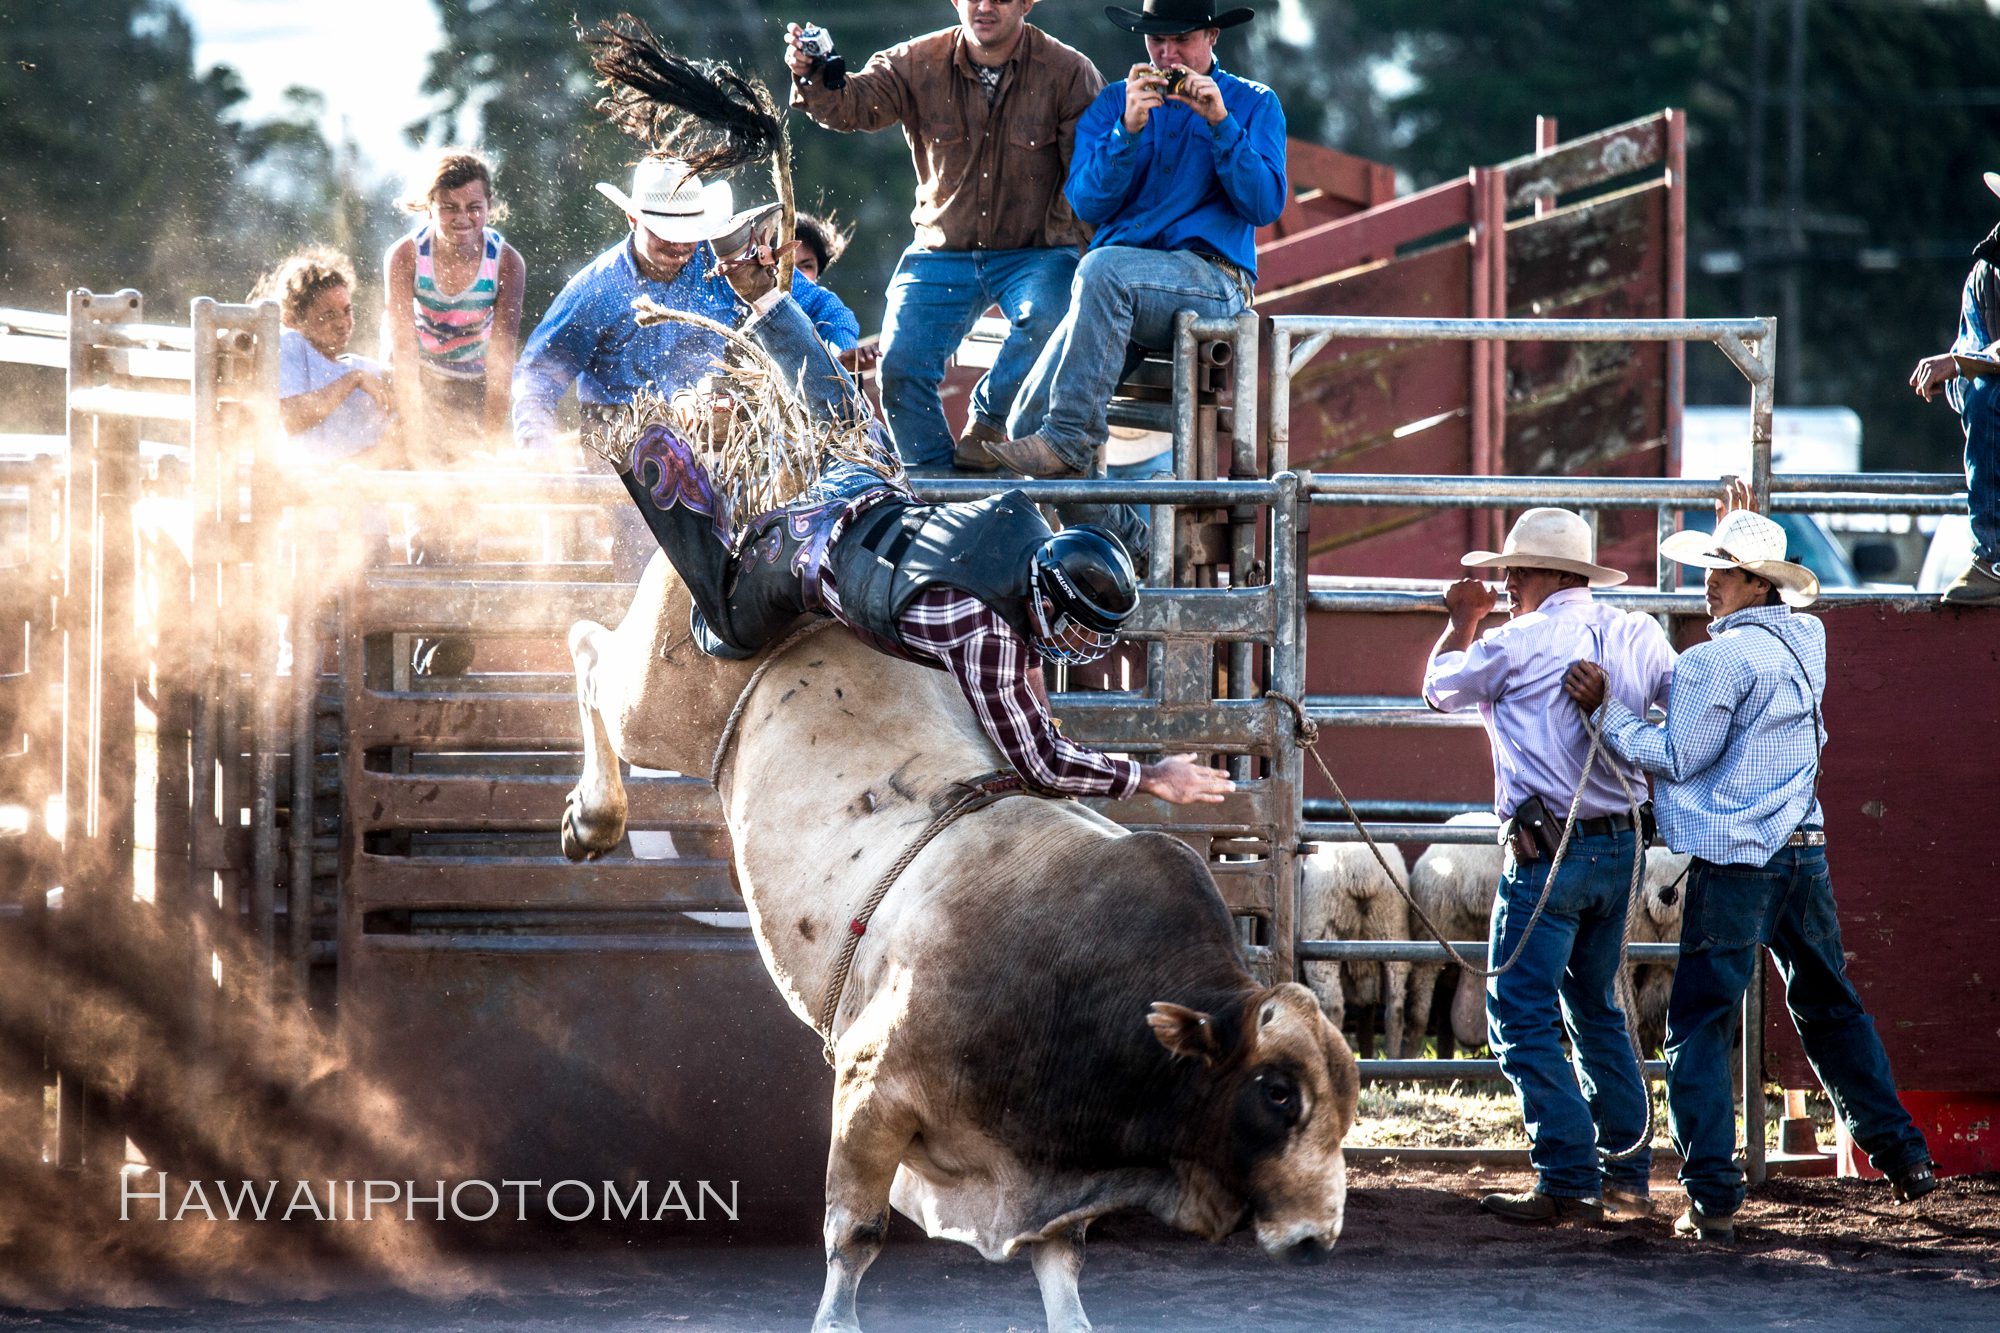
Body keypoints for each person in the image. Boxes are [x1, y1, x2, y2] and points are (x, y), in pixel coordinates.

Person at [613, 226, 1234, 807]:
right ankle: (657, 464)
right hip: (813, 544)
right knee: (726, 627)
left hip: (874, 489)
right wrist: (1150, 777)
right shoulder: (984, 634)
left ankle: (768, 303)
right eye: (1078, 628)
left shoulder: (1024, 522)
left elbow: (1027, 637)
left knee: (843, 413)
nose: (1080, 644)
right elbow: (1040, 762)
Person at [1563, 485, 1938, 1243]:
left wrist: (1607, 711)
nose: (1711, 580)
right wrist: (1745, 514)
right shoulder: (1810, 643)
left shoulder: (1714, 660)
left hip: (1737, 859)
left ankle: (1711, 1194)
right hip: (1803, 848)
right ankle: (1904, 1156)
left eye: (1725, 570)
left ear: (1757, 584)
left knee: (1699, 1020)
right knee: (1831, 1004)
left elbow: (1678, 754)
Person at [1422, 508, 1677, 1225]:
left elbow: (1439, 688)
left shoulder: (1515, 642)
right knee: (1595, 1005)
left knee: (1517, 1013)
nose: (1505, 583)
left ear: (1550, 575)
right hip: (1622, 844)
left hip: (1549, 853)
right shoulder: (1638, 632)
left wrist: (1461, 620)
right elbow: (1685, 707)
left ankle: (1568, 1174)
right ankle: (1626, 1175)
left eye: (1515, 571)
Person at [785, 1, 1102, 472]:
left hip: (1036, 252)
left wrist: (1097, 270)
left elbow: (1090, 182)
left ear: (1027, 3)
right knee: (899, 367)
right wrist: (811, 73)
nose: (985, 5)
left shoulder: (1069, 72)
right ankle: (936, 486)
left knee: (1054, 315)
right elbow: (851, 104)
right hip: (941, 251)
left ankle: (989, 418)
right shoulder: (916, 61)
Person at [511, 158, 859, 578]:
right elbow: (539, 375)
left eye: (689, 234)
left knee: (749, 564)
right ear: (631, 218)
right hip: (630, 448)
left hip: (725, 440)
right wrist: (537, 444)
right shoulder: (598, 290)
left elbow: (827, 310)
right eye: (666, 236)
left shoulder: (727, 265)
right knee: (651, 570)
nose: (679, 247)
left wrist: (830, 358)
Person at [995, 0, 1284, 500]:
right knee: (1024, 421)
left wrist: (1221, 123)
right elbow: (1085, 201)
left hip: (1214, 281)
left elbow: (1263, 205)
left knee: (1103, 268)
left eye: (1181, 40)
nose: (1168, 55)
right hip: (1117, 291)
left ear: (1212, 37)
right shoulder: (1113, 105)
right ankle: (1131, 546)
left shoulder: (1255, 103)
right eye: (1156, 41)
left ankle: (1070, 437)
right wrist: (1125, 132)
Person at [382, 151, 526, 464]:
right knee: (415, 465)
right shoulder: (405, 256)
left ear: (489, 205)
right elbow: (404, 353)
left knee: (468, 473)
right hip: (419, 370)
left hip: (474, 376)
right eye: (449, 208)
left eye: (474, 207)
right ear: (429, 209)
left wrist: (489, 444)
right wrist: (416, 439)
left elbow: (501, 360)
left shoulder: (507, 263)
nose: (462, 218)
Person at [1907, 170, 2000, 605]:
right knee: (1982, 396)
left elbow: (1970, 358)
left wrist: (1962, 364)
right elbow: (1973, 356)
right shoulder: (1986, 275)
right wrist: (1965, 368)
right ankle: (1994, 558)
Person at [260, 247, 395, 462]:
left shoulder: (365, 369)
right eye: (328, 315)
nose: (342, 323)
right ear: (292, 319)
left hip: (353, 480)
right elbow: (291, 419)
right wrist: (353, 380)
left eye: (347, 311)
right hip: (301, 481)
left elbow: (398, 430)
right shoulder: (292, 345)